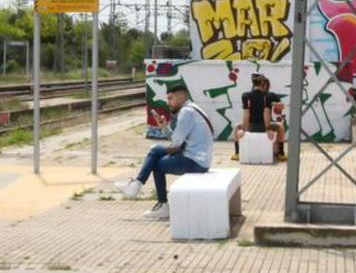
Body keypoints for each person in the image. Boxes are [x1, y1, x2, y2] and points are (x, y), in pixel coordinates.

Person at [119, 85, 213, 219]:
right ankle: (139, 186)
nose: (168, 103)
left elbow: (176, 144)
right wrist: (164, 127)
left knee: (155, 160)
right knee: (156, 155)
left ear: (181, 96)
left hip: (195, 162)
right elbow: (178, 141)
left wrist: (161, 148)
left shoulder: (186, 112)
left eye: (170, 98)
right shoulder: (194, 109)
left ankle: (152, 196)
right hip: (200, 160)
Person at [232, 73, 286, 162]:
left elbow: (246, 114)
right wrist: (267, 128)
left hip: (251, 125)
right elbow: (266, 113)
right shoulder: (268, 96)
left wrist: (244, 130)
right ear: (263, 83)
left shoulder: (245, 95)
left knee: (237, 127)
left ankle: (237, 153)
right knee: (281, 127)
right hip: (264, 125)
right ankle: (281, 153)